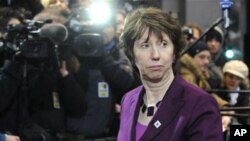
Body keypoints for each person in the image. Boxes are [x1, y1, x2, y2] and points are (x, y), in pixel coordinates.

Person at [117, 7, 223, 141]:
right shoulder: (128, 100)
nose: (155, 55)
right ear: (132, 55)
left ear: (174, 53)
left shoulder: (199, 104)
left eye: (163, 44)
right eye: (145, 45)